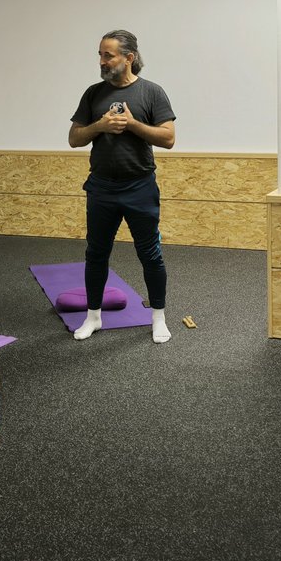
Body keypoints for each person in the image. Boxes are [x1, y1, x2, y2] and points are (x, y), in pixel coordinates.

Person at [68, 29, 176, 344]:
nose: (102, 61)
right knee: (96, 253)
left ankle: (158, 317)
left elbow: (168, 138)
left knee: (150, 254)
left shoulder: (151, 92)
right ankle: (93, 317)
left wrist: (133, 124)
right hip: (101, 187)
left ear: (128, 58)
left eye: (108, 55)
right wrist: (100, 126)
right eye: (100, 55)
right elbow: (74, 138)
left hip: (140, 186)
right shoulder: (93, 94)